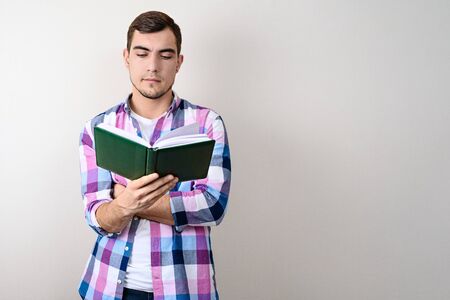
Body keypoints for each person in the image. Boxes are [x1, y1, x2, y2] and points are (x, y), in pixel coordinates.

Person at [78, 11, 231, 300]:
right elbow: (97, 217)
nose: (152, 65)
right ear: (126, 57)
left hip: (184, 289)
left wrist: (125, 197)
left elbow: (212, 205)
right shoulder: (97, 129)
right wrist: (122, 206)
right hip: (109, 286)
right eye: (142, 53)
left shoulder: (207, 124)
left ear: (179, 62)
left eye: (165, 55)